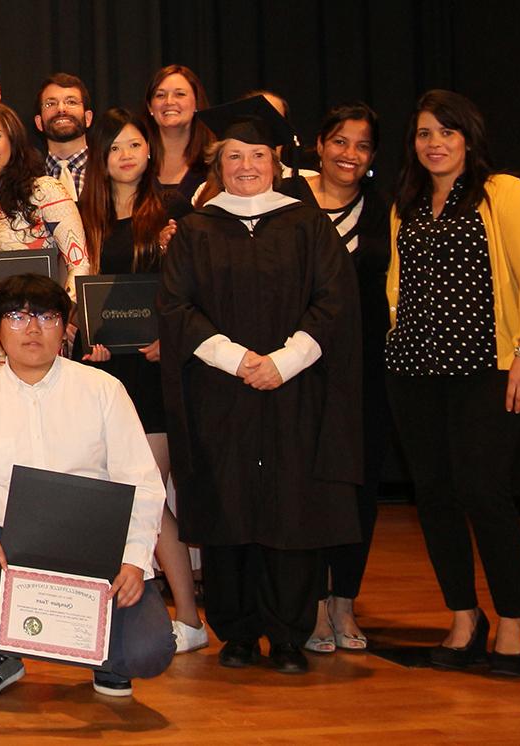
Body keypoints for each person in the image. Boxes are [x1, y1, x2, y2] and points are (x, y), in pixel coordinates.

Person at [157, 100, 362, 676]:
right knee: (229, 507)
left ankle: (290, 634)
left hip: (294, 392)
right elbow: (176, 308)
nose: (246, 166)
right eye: (234, 156)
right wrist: (238, 358)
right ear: (218, 163)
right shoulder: (198, 230)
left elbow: (334, 303)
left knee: (293, 510)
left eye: (257, 155)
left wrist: (285, 361)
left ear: (276, 161)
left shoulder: (307, 224)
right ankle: (239, 632)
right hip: (222, 394)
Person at [0, 272, 174, 701]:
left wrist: (134, 561)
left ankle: (104, 656)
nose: (32, 329)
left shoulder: (103, 390)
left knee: (150, 652)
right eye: (16, 317)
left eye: (46, 317)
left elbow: (141, 486)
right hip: (6, 544)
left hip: (92, 550)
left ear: (65, 328)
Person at [386, 90, 520, 677]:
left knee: (483, 490)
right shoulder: (406, 201)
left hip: (488, 367)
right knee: (433, 496)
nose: (435, 144)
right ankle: (462, 616)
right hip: (414, 371)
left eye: (446, 133)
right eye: (425, 134)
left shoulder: (502, 192)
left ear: (468, 137)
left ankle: (512, 619)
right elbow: (397, 285)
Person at [73, 108, 206, 654]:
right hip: (103, 371)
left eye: (134, 145)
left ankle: (191, 617)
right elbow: (81, 292)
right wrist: (87, 341)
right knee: (113, 498)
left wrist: (167, 339)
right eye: (114, 149)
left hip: (153, 373)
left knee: (145, 497)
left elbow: (190, 292)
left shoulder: (173, 213)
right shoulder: (85, 219)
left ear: (150, 151)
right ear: (100, 161)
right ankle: (113, 611)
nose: (126, 156)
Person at [296, 102, 388, 655]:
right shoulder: (291, 204)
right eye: (339, 142)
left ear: (373, 156)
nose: (349, 154)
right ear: (320, 145)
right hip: (298, 364)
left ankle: (344, 601)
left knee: (358, 486)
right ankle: (309, 604)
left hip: (366, 370)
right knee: (304, 483)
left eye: (361, 145)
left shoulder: (386, 210)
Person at [0, 102, 86, 381]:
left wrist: (60, 319)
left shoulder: (44, 191)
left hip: (38, 341)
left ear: (14, 140)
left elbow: (81, 262)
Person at [146, 65, 212, 201]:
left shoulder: (215, 164)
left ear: (196, 103)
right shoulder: (135, 163)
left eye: (180, 94)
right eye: (160, 95)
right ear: (150, 107)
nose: (169, 101)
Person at [36, 73, 93, 199]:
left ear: (88, 118)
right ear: (39, 122)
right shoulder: (26, 179)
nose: (61, 109)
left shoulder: (109, 171)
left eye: (71, 102)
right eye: (50, 104)